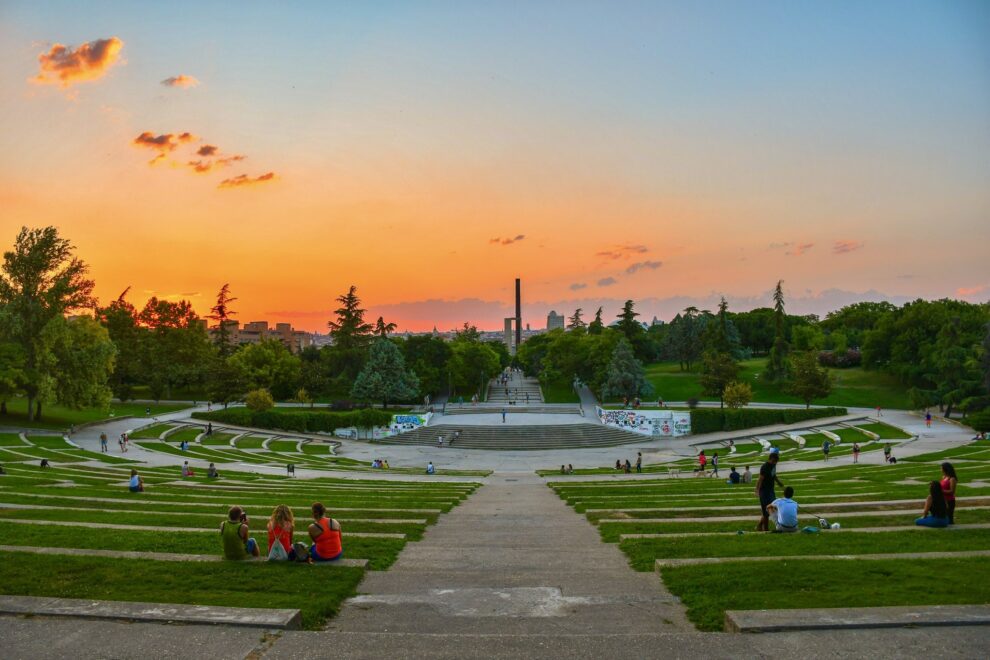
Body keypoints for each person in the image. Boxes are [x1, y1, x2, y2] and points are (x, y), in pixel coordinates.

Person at [756, 450, 784, 532]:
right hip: (764, 491)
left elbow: (774, 474)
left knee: (772, 508)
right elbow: (760, 479)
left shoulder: (773, 466)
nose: (775, 463)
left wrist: (778, 482)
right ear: (770, 459)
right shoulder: (764, 467)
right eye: (774, 461)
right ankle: (766, 529)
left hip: (771, 490)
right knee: (766, 511)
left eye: (776, 462)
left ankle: (760, 525)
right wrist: (757, 490)